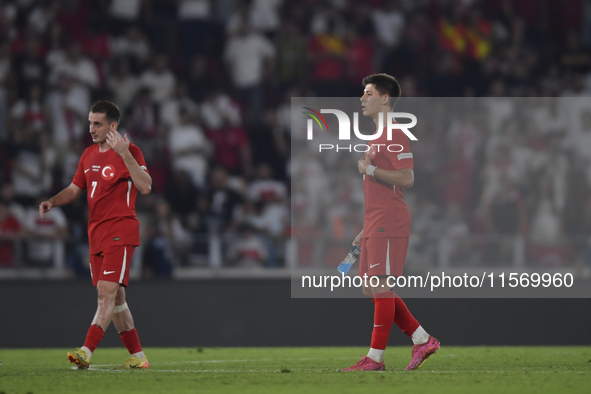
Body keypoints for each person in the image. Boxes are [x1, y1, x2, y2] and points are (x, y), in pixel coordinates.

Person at [39, 100, 152, 369]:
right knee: (116, 301)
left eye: (97, 123)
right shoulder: (88, 154)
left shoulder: (130, 151)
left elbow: (146, 186)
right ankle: (138, 357)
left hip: (120, 230)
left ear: (113, 125)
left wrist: (125, 155)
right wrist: (53, 201)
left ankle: (85, 351)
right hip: (96, 234)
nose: (92, 128)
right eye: (90, 122)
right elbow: (74, 189)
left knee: (105, 292)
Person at [342, 74, 440, 372]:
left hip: (390, 220)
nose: (362, 98)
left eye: (368, 92)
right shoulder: (376, 137)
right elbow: (380, 190)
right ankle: (421, 338)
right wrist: (366, 226)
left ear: (384, 98)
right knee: (370, 289)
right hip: (376, 220)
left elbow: (407, 179)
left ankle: (375, 358)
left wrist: (369, 168)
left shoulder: (395, 133)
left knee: (381, 287)